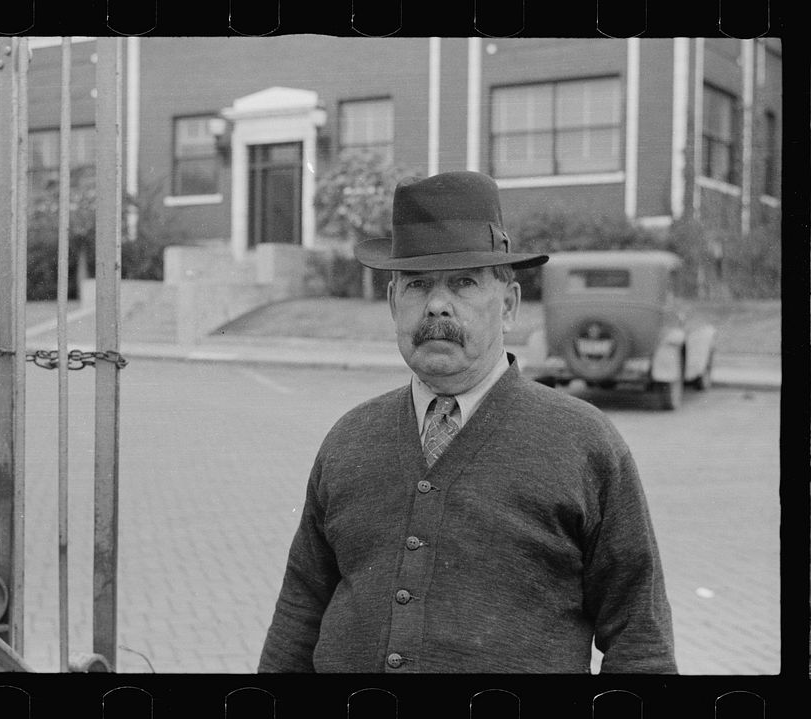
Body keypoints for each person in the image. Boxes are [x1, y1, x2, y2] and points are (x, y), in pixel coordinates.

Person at [257, 171, 677, 673]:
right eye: (417, 284)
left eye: (463, 282)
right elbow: (299, 611)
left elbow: (640, 638)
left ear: (510, 306)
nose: (437, 304)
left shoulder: (584, 443)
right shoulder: (349, 438)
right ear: (393, 306)